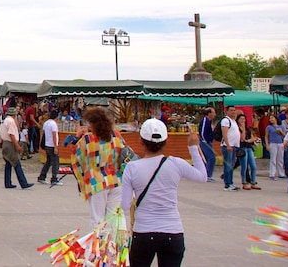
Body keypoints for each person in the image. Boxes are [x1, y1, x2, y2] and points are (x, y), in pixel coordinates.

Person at [121, 119, 206, 267]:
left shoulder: (132, 168)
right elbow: (202, 176)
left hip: (144, 232)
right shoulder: (175, 163)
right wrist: (193, 147)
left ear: (141, 141)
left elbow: (125, 204)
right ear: (165, 141)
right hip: (173, 232)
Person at [72, 107, 127, 228]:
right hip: (116, 181)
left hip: (96, 182)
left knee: (97, 219)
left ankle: (98, 246)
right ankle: (116, 244)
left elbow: (76, 160)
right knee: (116, 218)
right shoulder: (116, 136)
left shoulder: (87, 140)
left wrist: (77, 137)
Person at [0, 107, 33, 189]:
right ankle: (23, 183)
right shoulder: (11, 121)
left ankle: (7, 182)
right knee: (16, 162)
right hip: (10, 144)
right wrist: (17, 146)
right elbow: (11, 134)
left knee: (8, 163)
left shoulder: (6, 120)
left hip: (6, 143)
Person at [236, 113, 260, 190]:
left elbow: (253, 138)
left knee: (253, 166)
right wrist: (243, 130)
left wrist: (249, 140)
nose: (243, 120)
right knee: (244, 166)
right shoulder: (237, 129)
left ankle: (253, 182)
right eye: (241, 119)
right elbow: (242, 139)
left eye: (244, 119)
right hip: (242, 148)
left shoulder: (248, 129)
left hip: (249, 148)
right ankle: (244, 182)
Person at [220, 105, 241, 191]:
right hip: (228, 146)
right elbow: (225, 133)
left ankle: (231, 182)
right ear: (227, 111)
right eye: (231, 110)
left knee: (231, 165)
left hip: (234, 146)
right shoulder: (226, 120)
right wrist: (228, 144)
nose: (233, 112)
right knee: (228, 165)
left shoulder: (233, 121)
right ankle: (227, 184)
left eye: (234, 110)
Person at [38, 111, 60, 184]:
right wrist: (56, 147)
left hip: (47, 144)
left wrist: (41, 144)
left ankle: (42, 176)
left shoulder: (46, 123)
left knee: (48, 161)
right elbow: (54, 135)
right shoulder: (53, 124)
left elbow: (42, 133)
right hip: (52, 145)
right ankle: (54, 178)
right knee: (55, 162)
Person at [265, 111, 287, 181]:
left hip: (280, 143)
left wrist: (281, 132)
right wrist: (267, 145)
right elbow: (266, 136)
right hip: (273, 143)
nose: (271, 120)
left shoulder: (281, 127)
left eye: (272, 118)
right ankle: (272, 174)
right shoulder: (269, 127)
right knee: (273, 159)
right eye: (270, 119)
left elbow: (285, 136)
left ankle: (281, 173)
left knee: (280, 159)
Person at [197, 108, 217, 182]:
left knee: (205, 158)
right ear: (209, 114)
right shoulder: (205, 120)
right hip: (205, 142)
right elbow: (202, 132)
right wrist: (204, 140)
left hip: (207, 141)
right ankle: (208, 175)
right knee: (211, 158)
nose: (215, 115)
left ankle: (203, 174)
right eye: (213, 113)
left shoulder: (209, 121)